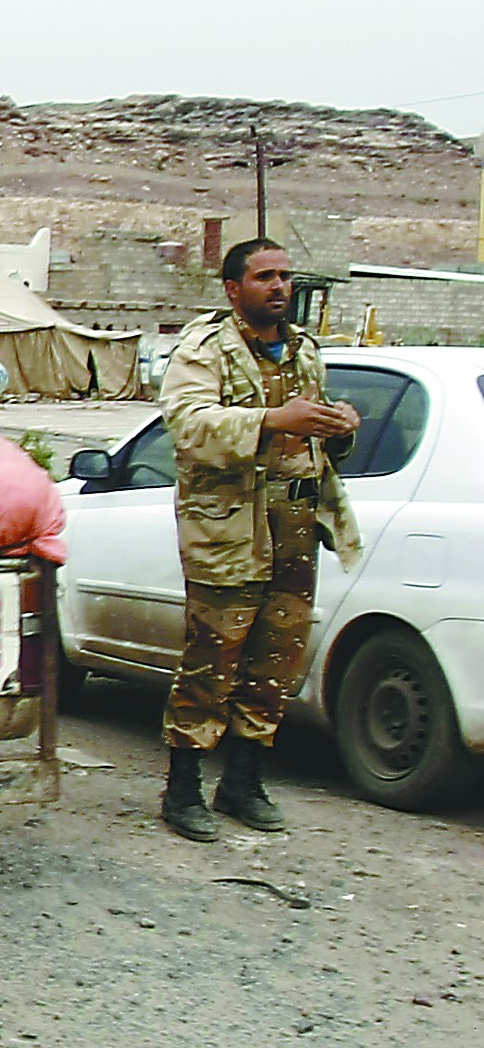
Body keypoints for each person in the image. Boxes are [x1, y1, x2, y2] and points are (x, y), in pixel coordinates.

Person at [155, 238, 361, 840]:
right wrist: (271, 420)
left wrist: (337, 428)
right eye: (265, 277)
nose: (279, 287)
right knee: (212, 659)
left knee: (277, 661)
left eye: (285, 276)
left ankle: (243, 782)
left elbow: (317, 444)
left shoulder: (304, 352)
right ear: (233, 289)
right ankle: (183, 788)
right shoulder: (205, 348)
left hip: (293, 526)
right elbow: (189, 428)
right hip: (229, 530)